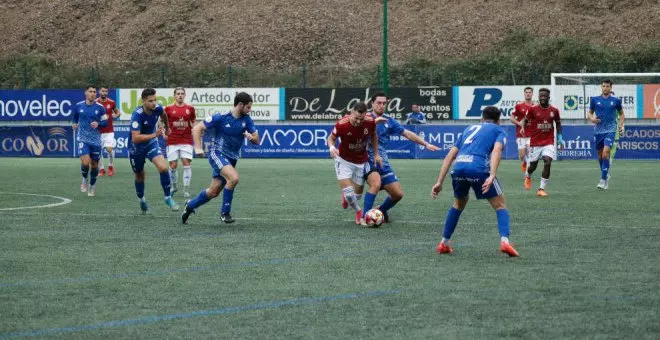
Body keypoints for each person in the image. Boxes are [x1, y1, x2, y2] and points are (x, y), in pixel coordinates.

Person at [431, 106, 519, 257]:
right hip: (478, 168)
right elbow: (497, 150)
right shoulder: (499, 130)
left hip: (459, 168)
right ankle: (505, 241)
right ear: (499, 121)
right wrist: (492, 175)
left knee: (458, 204)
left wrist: (439, 182)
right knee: (500, 205)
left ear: (482, 118)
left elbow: (450, 155)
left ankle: (444, 243)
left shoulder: (468, 129)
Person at [354, 92, 439, 224]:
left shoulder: (389, 120)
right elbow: (355, 133)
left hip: (383, 160)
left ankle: (379, 211)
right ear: (372, 103)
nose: (381, 106)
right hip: (366, 158)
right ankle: (365, 217)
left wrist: (426, 143)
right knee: (375, 184)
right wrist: (373, 123)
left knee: (397, 194)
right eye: (378, 103)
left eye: (384, 103)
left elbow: (407, 133)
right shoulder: (364, 117)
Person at [181, 92, 259, 224]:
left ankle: (190, 206)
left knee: (213, 192)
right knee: (234, 178)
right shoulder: (221, 117)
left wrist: (252, 138)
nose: (250, 110)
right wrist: (198, 147)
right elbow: (197, 129)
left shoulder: (247, 120)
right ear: (240, 105)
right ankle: (225, 213)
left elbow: (257, 140)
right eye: (248, 107)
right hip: (217, 153)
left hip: (232, 159)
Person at [327, 102, 381, 225]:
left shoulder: (370, 121)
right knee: (349, 194)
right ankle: (358, 211)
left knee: (356, 197)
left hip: (361, 161)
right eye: (356, 118)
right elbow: (330, 138)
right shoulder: (341, 124)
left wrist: (377, 154)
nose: (358, 121)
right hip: (343, 160)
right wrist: (331, 148)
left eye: (361, 119)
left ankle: (348, 197)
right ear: (352, 113)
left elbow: (374, 136)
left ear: (365, 115)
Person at [128, 88, 179, 213]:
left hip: (151, 144)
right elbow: (135, 138)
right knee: (140, 176)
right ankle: (142, 199)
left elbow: (164, 115)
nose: (154, 103)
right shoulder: (137, 115)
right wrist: (154, 135)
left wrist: (167, 128)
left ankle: (167, 197)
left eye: (155, 100)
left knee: (163, 167)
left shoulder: (158, 108)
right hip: (136, 148)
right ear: (143, 101)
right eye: (150, 101)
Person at [521, 88, 562, 197]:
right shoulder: (532, 109)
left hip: (548, 141)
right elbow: (525, 120)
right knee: (533, 166)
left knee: (547, 161)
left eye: (545, 96)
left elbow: (558, 123)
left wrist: (560, 137)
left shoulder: (554, 110)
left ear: (548, 97)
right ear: (538, 97)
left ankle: (541, 189)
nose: (542, 98)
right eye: (541, 96)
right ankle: (528, 176)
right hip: (535, 142)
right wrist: (523, 128)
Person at [587, 79, 625, 190]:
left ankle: (603, 180)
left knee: (605, 153)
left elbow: (622, 114)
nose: (605, 88)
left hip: (611, 130)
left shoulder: (616, 101)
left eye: (607, 86)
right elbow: (589, 113)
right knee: (600, 156)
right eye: (604, 86)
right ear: (601, 87)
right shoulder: (594, 100)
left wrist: (621, 125)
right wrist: (592, 119)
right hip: (598, 130)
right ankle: (606, 174)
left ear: (611, 88)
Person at [72, 85, 108, 197]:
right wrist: (74, 124)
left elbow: (105, 123)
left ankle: (92, 186)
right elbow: (74, 118)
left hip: (96, 140)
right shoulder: (78, 106)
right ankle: (84, 179)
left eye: (94, 92)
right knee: (86, 162)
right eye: (90, 91)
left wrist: (99, 124)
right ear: (86, 93)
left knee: (94, 166)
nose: (92, 93)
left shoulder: (100, 107)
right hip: (83, 138)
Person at [164, 87, 196, 198]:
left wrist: (194, 129)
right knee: (173, 165)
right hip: (172, 140)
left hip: (186, 140)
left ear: (185, 95)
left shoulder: (190, 109)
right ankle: (174, 186)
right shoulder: (168, 109)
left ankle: (186, 189)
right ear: (174, 95)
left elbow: (193, 121)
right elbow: (161, 122)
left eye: (182, 93)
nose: (180, 95)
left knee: (186, 163)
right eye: (178, 94)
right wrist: (163, 132)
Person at [96, 86, 121, 177]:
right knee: (98, 152)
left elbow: (118, 112)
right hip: (97, 131)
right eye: (103, 91)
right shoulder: (95, 103)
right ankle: (102, 169)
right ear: (99, 91)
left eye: (106, 91)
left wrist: (116, 115)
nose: (104, 93)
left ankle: (111, 166)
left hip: (109, 131)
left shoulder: (111, 102)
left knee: (109, 149)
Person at [510, 87, 534, 173]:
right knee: (522, 155)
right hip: (521, 135)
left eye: (529, 92)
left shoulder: (535, 107)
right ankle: (523, 162)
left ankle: (527, 176)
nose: (528, 94)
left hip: (531, 135)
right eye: (526, 92)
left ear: (532, 94)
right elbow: (512, 119)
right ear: (524, 94)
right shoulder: (519, 106)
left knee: (529, 155)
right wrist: (520, 124)